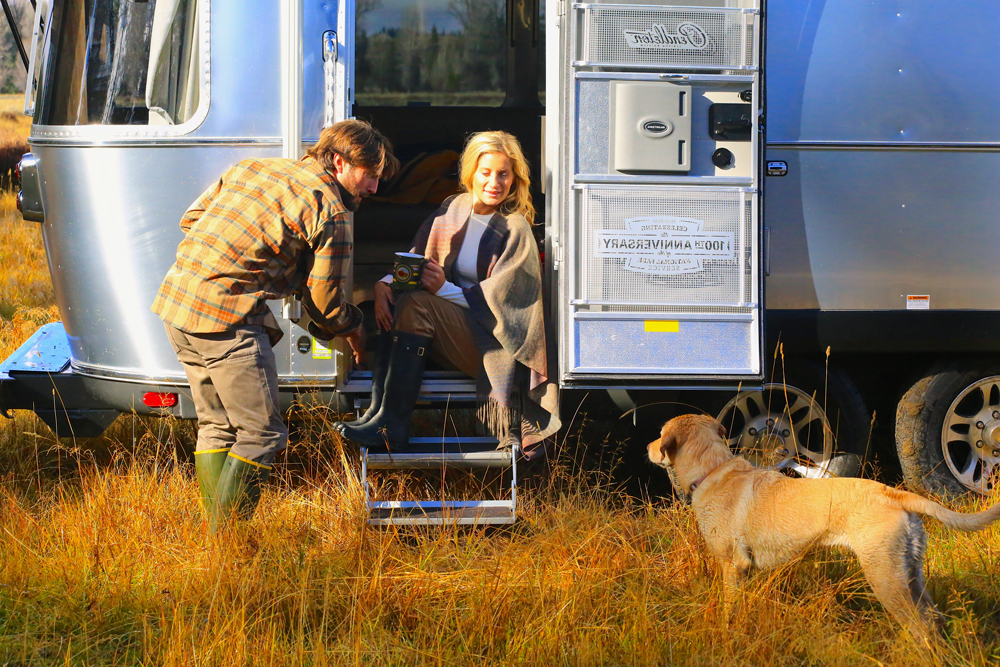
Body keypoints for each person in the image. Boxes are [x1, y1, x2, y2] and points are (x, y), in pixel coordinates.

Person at [152, 119, 398, 530]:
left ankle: (217, 541)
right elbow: (326, 305)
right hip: (226, 318)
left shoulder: (253, 168)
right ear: (338, 162)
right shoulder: (331, 211)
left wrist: (244, 264)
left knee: (217, 426)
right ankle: (228, 538)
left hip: (178, 304)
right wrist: (355, 327)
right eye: (368, 175)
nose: (373, 188)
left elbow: (192, 219)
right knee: (263, 434)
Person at [336, 131, 560, 458]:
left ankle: (392, 425)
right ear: (471, 173)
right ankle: (378, 415)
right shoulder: (454, 209)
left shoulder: (515, 228)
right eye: (486, 172)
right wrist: (385, 283)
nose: (494, 182)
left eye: (503, 174)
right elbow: (418, 258)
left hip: (497, 348)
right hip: (457, 334)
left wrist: (444, 289)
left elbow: (510, 311)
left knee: (416, 304)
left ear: (515, 179)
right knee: (381, 307)